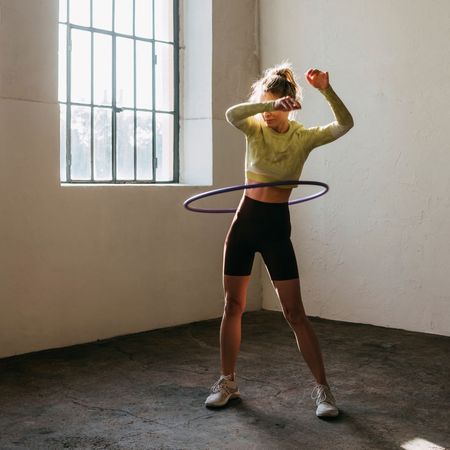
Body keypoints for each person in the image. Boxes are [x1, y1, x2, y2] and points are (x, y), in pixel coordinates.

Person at [204, 62, 354, 418]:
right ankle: (227, 381)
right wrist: (266, 106)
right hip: (245, 223)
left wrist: (325, 90)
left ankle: (323, 391)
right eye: (265, 105)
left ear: (289, 104)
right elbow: (231, 113)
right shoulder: (254, 128)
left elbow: (344, 124)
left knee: (294, 312)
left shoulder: (302, 137)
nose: (270, 113)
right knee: (232, 306)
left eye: (276, 105)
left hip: (275, 228)